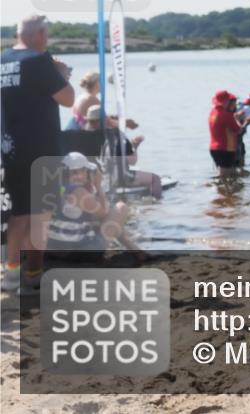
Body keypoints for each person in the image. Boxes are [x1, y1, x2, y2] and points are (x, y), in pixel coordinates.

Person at [1, 15, 74, 293]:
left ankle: (10, 276)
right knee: (41, 216)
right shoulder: (39, 61)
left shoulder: (3, 59)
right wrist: (62, 76)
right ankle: (33, 274)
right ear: (41, 34)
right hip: (42, 148)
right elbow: (68, 99)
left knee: (19, 215)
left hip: (11, 147)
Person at [46, 152, 141, 252]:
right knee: (121, 208)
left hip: (54, 248)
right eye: (86, 171)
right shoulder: (78, 192)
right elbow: (104, 212)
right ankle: (136, 251)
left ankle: (135, 250)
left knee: (100, 219)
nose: (88, 174)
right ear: (80, 172)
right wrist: (98, 186)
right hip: (78, 252)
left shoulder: (57, 187)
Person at [82, 107, 160, 198]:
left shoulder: (83, 136)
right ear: (106, 120)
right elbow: (132, 160)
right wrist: (134, 145)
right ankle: (156, 204)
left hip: (94, 179)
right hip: (120, 177)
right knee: (155, 179)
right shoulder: (115, 134)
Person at [208, 91, 244, 172]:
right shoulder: (226, 115)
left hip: (213, 148)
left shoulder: (212, 112)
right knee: (228, 175)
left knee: (222, 173)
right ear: (226, 101)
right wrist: (238, 119)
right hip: (225, 149)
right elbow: (238, 129)